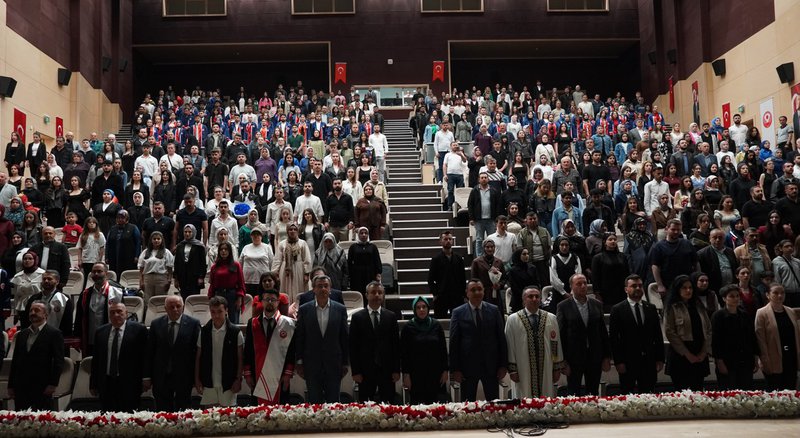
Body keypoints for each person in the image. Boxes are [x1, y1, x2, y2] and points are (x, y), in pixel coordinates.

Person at [449, 279, 508, 401]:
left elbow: (501, 339)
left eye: (479, 289)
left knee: (493, 404)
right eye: (473, 290)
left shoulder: (494, 310)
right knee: (467, 405)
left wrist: (503, 365)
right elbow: (454, 342)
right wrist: (455, 369)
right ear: (467, 293)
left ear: (484, 291)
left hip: (491, 366)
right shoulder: (458, 312)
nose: (477, 292)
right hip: (467, 367)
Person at [294, 275, 349, 403]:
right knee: (314, 402)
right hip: (311, 364)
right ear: (313, 289)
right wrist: (299, 361)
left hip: (334, 363)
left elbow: (344, 337)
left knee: (334, 403)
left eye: (326, 286)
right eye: (319, 286)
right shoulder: (304, 309)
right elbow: (300, 337)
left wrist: (345, 362)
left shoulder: (340, 309)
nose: (323, 289)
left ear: (330, 289)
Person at [144, 295, 201, 412]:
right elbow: (149, 352)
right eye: (171, 307)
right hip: (161, 376)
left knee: (184, 411)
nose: (175, 309)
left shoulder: (193, 324)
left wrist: (197, 377)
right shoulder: (156, 324)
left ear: (183, 307)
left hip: (184, 376)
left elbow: (197, 353)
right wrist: (147, 376)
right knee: (162, 412)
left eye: (178, 306)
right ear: (165, 308)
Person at [609, 274, 664, 394]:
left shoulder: (651, 308)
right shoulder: (617, 309)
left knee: (649, 396)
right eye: (634, 286)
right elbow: (614, 338)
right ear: (626, 289)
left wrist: (660, 359)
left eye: (640, 285)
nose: (638, 288)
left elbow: (657, 335)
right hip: (627, 361)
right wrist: (618, 362)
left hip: (649, 361)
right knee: (627, 395)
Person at [556, 274, 611, 395]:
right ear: (571, 286)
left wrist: (607, 356)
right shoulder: (563, 306)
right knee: (573, 393)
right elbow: (561, 335)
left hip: (594, 356)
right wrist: (563, 361)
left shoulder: (597, 304)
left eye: (585, 283)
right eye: (579, 284)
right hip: (573, 358)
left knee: (593, 392)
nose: (583, 286)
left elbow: (603, 332)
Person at [505, 286, 563, 398]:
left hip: (546, 367)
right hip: (522, 369)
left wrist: (556, 367)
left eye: (537, 296)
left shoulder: (551, 318)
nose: (534, 299)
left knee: (546, 400)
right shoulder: (513, 320)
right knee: (524, 399)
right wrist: (512, 370)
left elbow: (555, 345)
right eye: (530, 296)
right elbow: (509, 345)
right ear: (524, 300)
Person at [90, 300, 148, 412]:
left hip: (130, 382)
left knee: (129, 416)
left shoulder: (139, 330)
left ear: (126, 313)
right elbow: (96, 360)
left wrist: (146, 378)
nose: (116, 315)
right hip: (106, 383)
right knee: (107, 416)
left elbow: (145, 357)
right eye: (112, 312)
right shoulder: (101, 332)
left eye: (119, 311)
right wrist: (93, 383)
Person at [8, 301, 65, 410]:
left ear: (45, 314)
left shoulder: (54, 333)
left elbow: (59, 361)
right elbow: (15, 361)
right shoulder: (22, 334)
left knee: (41, 418)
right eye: (31, 310)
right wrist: (11, 385)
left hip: (42, 385)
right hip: (21, 386)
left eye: (37, 310)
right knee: (21, 418)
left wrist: (53, 384)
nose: (33, 313)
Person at [349, 282, 400, 403]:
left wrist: (396, 370)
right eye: (373, 292)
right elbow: (353, 347)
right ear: (366, 295)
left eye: (380, 292)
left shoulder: (391, 316)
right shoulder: (357, 317)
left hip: (387, 370)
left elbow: (396, 345)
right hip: (365, 370)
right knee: (366, 407)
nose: (377, 295)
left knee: (388, 405)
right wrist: (356, 371)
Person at [243, 287, 296, 405]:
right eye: (267, 299)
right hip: (258, 374)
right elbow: (248, 350)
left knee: (281, 411)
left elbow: (291, 351)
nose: (270, 302)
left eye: (273, 299)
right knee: (258, 411)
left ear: (278, 302)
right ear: (261, 302)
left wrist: (288, 373)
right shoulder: (252, 323)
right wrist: (248, 373)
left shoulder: (287, 323)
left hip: (281, 375)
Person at [663, 275, 712, 391]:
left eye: (690, 287)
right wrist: (687, 354)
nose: (688, 290)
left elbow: (708, 329)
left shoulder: (699, 306)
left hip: (699, 352)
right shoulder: (672, 307)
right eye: (684, 288)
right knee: (682, 393)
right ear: (678, 289)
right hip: (680, 355)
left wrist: (704, 352)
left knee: (698, 392)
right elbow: (669, 331)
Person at [194, 296, 245, 407]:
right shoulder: (204, 331)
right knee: (208, 415)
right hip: (208, 381)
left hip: (228, 382)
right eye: (213, 312)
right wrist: (197, 379)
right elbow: (198, 357)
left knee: (227, 415)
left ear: (226, 311)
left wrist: (238, 379)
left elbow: (240, 358)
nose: (216, 315)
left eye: (220, 311)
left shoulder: (235, 332)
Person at [400, 296, 448, 404]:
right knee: (418, 408)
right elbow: (404, 354)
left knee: (436, 407)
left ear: (428, 308)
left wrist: (445, 370)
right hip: (416, 375)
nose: (421, 310)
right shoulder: (408, 328)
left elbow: (443, 350)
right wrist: (406, 375)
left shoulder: (436, 325)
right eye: (418, 307)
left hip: (435, 374)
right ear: (414, 310)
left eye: (424, 307)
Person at [711, 285, 759, 391]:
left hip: (745, 360)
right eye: (732, 296)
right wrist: (719, 362)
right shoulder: (718, 316)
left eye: (737, 296)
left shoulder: (744, 315)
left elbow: (752, 338)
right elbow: (716, 341)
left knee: (747, 391)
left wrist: (755, 359)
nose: (736, 298)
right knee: (729, 392)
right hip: (728, 361)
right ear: (724, 298)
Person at [755, 283, 800, 391]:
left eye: (782, 293)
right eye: (775, 293)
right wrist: (764, 359)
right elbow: (760, 339)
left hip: (791, 357)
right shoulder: (761, 313)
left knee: (791, 391)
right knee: (775, 391)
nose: (780, 295)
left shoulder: (790, 311)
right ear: (768, 295)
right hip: (773, 359)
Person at [651, 219, 699, 297]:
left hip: (687, 284)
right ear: (666, 229)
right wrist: (660, 285)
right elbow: (655, 266)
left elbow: (696, 262)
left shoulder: (687, 243)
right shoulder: (658, 247)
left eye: (678, 230)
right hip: (669, 285)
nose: (676, 232)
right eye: (673, 229)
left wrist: (697, 278)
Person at [19, 270, 72, 336]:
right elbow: (26, 319)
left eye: (49, 279)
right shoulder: (34, 298)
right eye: (44, 279)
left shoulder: (64, 299)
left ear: (57, 281)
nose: (46, 281)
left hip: (57, 336)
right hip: (35, 335)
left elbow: (67, 322)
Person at [272, 223, 313, 303]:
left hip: (299, 269)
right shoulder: (282, 244)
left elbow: (307, 259)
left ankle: (299, 306)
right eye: (290, 229)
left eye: (295, 229)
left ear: (297, 231)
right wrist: (275, 273)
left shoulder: (302, 243)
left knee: (299, 288)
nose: (292, 231)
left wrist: (306, 273)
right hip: (285, 271)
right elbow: (277, 259)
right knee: (285, 289)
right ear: (287, 231)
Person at [208, 241, 246, 324]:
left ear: (230, 251)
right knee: (219, 319)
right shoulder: (214, 267)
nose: (223, 251)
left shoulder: (236, 265)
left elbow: (241, 283)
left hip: (232, 295)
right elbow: (212, 285)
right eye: (221, 249)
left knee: (233, 321)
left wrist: (239, 298)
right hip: (218, 295)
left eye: (226, 249)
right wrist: (210, 297)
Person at [591, 233, 630, 311]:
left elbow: (627, 273)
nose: (613, 241)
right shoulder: (598, 258)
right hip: (606, 292)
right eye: (610, 239)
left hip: (621, 291)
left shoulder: (622, 256)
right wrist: (597, 293)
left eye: (615, 239)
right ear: (604, 242)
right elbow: (595, 277)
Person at [467, 172, 500, 256]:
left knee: (492, 239)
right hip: (479, 220)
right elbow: (470, 205)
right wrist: (471, 218)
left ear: (488, 179)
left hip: (491, 219)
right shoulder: (474, 190)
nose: (484, 179)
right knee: (479, 239)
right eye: (482, 178)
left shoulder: (493, 190)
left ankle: (493, 256)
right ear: (479, 179)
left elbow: (497, 205)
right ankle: (479, 257)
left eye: (485, 177)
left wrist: (497, 219)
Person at [137, 231, 174, 302]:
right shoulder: (145, 252)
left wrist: (169, 280)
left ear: (162, 240)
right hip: (148, 278)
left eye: (158, 239)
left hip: (161, 278)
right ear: (151, 240)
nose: (156, 240)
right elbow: (141, 268)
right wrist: (141, 281)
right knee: (148, 300)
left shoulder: (166, 252)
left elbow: (170, 268)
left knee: (160, 300)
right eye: (154, 239)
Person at [173, 224, 208, 300]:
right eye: (185, 232)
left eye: (189, 232)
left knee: (194, 298)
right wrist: (176, 278)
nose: (187, 234)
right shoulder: (180, 245)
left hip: (194, 276)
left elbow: (202, 263)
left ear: (194, 232)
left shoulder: (199, 246)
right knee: (183, 298)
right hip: (183, 276)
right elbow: (177, 262)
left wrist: (201, 277)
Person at [11, 251, 46, 321]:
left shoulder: (43, 274)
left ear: (35, 260)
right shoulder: (18, 276)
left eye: (30, 258)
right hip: (23, 307)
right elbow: (16, 296)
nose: (27, 261)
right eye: (25, 259)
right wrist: (16, 313)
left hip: (38, 306)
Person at [105, 210, 141, 275]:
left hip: (129, 256)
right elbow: (108, 243)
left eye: (122, 218)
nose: (120, 219)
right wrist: (106, 257)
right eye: (118, 218)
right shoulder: (112, 228)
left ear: (127, 218)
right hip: (114, 256)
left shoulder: (133, 228)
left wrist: (137, 256)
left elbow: (138, 243)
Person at [347, 226, 382, 295]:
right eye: (361, 233)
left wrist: (378, 273)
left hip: (370, 273)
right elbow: (349, 262)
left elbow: (377, 260)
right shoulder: (353, 247)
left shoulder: (373, 246)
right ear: (358, 235)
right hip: (357, 274)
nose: (363, 235)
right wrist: (350, 275)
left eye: (365, 233)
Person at [240, 228, 274, 297]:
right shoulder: (246, 247)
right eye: (254, 235)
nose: (256, 236)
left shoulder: (267, 247)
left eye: (258, 234)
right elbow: (241, 263)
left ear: (261, 236)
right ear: (251, 237)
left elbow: (271, 262)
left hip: (263, 281)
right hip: (247, 280)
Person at [470, 239, 505, 306]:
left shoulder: (499, 262)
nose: (490, 249)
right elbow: (473, 279)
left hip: (496, 294)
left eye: (492, 247)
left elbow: (504, 278)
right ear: (483, 248)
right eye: (487, 247)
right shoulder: (476, 262)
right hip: (482, 294)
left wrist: (499, 285)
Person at [506, 248, 539, 314]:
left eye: (527, 254)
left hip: (533, 298)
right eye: (524, 254)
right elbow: (514, 288)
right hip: (519, 300)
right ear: (518, 256)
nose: (526, 256)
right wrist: (526, 297)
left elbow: (537, 283)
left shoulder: (532, 268)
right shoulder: (513, 271)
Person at [772, 239, 800, 307]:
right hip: (786, 293)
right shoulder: (776, 262)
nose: (789, 248)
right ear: (780, 249)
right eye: (786, 246)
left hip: (798, 292)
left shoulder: (797, 261)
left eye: (791, 246)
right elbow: (777, 279)